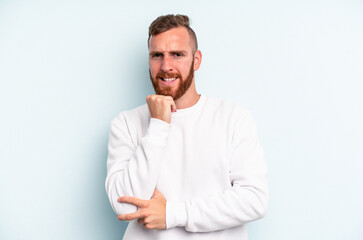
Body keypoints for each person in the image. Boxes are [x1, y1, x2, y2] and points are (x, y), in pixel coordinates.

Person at [105, 14, 268, 240]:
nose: (166, 66)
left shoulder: (233, 118)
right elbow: (125, 207)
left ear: (196, 60)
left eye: (177, 54)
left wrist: (173, 214)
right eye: (157, 55)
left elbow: (254, 200)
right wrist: (159, 125)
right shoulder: (125, 123)